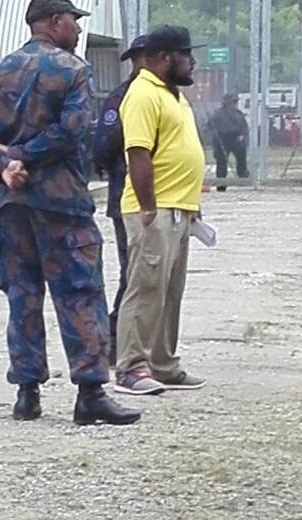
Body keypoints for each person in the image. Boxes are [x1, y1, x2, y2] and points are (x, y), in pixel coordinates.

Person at [0, 0, 140, 426]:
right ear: (53, 22)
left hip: (12, 203)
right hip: (61, 204)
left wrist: (5, 164)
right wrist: (24, 155)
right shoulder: (72, 69)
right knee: (79, 292)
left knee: (22, 295)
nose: (77, 30)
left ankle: (27, 393)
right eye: (73, 22)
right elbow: (73, 129)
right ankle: (90, 393)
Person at [114, 25, 207, 395]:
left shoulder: (172, 95)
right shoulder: (142, 94)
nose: (192, 61)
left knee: (170, 291)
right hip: (152, 209)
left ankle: (163, 364)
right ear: (165, 58)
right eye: (186, 54)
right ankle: (131, 368)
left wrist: (191, 204)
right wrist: (148, 206)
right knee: (145, 288)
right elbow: (138, 152)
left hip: (178, 207)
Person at [91, 35, 147, 367]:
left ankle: (132, 342)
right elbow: (104, 144)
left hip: (153, 197)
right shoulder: (123, 96)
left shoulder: (165, 95)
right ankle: (113, 341)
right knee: (133, 273)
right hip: (126, 195)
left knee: (143, 274)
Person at [209, 93, 249, 192]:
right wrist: (214, 131)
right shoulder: (218, 113)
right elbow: (210, 125)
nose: (234, 104)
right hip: (222, 138)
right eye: (233, 102)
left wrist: (242, 136)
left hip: (236, 137)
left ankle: (243, 176)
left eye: (235, 102)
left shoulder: (238, 113)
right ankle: (221, 184)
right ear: (226, 103)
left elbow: (244, 127)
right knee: (221, 162)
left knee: (241, 156)